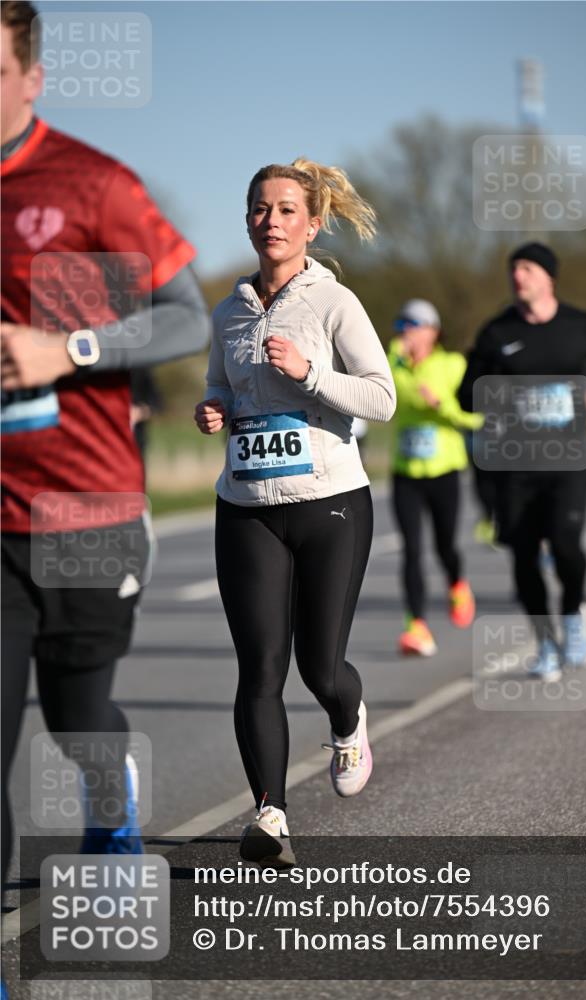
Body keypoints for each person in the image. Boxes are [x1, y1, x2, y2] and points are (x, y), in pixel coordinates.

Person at [1, 0, 210, 901]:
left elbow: (186, 317)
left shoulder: (91, 184)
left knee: (77, 714)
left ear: (32, 79)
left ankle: (111, 812)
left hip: (88, 505)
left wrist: (68, 348)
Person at [195, 159, 395, 867]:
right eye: (259, 208)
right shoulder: (228, 312)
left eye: (285, 210)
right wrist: (212, 408)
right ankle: (270, 815)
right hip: (245, 506)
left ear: (311, 224)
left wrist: (308, 375)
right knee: (259, 668)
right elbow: (221, 387)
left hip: (330, 504)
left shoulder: (334, 304)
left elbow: (380, 397)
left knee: (319, 667)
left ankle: (347, 716)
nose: (270, 221)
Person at [458, 242, 586, 682]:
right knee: (524, 555)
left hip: (569, 459)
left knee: (566, 543)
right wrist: (496, 393)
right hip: (514, 463)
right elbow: (467, 393)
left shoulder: (581, 326)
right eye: (514, 268)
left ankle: (573, 613)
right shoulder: (497, 332)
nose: (519, 275)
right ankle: (545, 644)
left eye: (528, 268)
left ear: (549, 276)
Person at [388, 299, 483, 656]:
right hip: (406, 473)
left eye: (414, 325)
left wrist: (441, 405)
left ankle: (457, 582)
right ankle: (417, 627)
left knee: (445, 545)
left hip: (444, 471)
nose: (406, 332)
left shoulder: (454, 365)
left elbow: (476, 419)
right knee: (411, 550)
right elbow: (384, 395)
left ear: (433, 330)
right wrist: (402, 365)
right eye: (403, 325)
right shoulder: (393, 364)